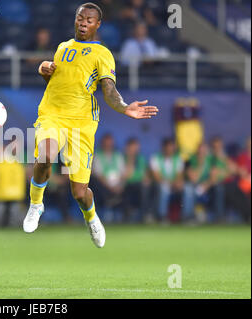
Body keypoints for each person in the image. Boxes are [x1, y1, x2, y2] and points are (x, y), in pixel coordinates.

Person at [23, 2, 159, 248]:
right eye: (80, 18)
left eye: (89, 20)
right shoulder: (62, 47)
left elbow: (109, 90)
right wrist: (43, 70)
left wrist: (124, 106)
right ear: (75, 20)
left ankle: (91, 217)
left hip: (82, 124)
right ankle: (36, 204)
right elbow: (57, 84)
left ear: (97, 24)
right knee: (46, 155)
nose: (83, 23)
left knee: (79, 193)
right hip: (52, 114)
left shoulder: (102, 54)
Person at [149, 138, 187, 223]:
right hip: (160, 185)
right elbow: (157, 177)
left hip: (174, 185)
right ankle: (162, 216)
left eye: (171, 148)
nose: (170, 150)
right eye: (168, 148)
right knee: (164, 188)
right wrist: (170, 183)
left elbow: (179, 175)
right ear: (163, 148)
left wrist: (177, 183)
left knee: (189, 189)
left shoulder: (178, 159)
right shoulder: (156, 158)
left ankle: (187, 216)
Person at [92, 133, 125, 223]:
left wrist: (119, 185)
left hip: (117, 184)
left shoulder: (118, 156)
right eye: (106, 143)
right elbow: (98, 174)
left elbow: (122, 173)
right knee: (95, 183)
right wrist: (110, 187)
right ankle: (108, 206)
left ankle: (123, 216)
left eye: (110, 143)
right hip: (104, 184)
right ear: (102, 143)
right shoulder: (97, 155)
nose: (108, 145)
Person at [122, 137, 150, 223]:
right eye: (132, 148)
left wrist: (144, 179)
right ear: (127, 147)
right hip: (126, 185)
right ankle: (127, 216)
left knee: (147, 187)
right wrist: (130, 159)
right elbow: (126, 176)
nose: (134, 150)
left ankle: (145, 215)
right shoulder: (122, 158)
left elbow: (145, 176)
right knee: (129, 188)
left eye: (136, 148)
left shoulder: (141, 158)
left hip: (139, 185)